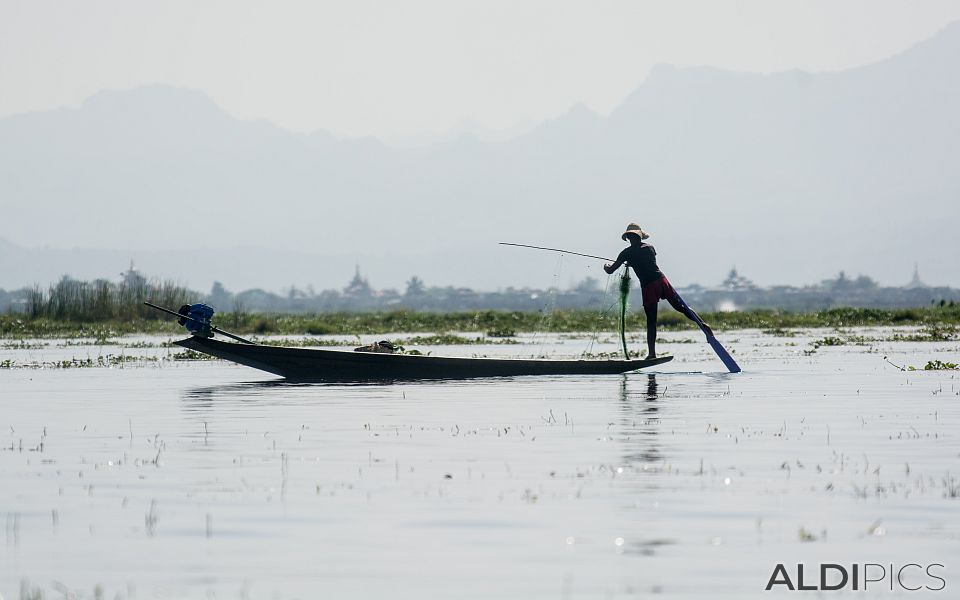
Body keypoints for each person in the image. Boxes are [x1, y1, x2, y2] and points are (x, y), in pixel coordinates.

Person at [604, 223, 713, 359]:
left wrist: (606, 266)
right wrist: (632, 262)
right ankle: (703, 325)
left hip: (649, 285)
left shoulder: (626, 253)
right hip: (661, 280)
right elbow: (645, 261)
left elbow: (611, 270)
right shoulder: (650, 248)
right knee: (681, 307)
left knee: (651, 321)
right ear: (640, 236)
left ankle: (652, 354)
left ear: (628, 237)